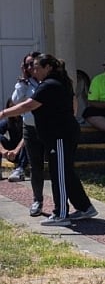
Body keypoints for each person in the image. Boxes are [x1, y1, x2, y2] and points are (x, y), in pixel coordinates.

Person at [0, 54, 98, 226]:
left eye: (37, 67)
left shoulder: (50, 85)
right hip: (61, 134)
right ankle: (85, 207)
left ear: (48, 68)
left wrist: (3, 113)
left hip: (60, 136)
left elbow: (28, 106)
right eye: (32, 67)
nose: (33, 70)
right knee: (66, 172)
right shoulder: (55, 83)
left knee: (58, 173)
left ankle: (60, 214)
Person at [11, 52, 47, 216]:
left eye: (33, 64)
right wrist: (23, 83)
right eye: (27, 65)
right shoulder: (25, 84)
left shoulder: (48, 81)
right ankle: (37, 201)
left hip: (49, 129)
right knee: (35, 167)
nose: (31, 67)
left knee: (56, 166)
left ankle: (62, 203)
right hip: (30, 129)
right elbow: (16, 101)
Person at [0, 99, 27, 183]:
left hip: (26, 154)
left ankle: (20, 170)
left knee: (28, 140)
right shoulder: (7, 121)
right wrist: (3, 150)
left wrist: (16, 151)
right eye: (11, 108)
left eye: (15, 107)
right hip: (12, 153)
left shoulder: (26, 119)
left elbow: (26, 137)